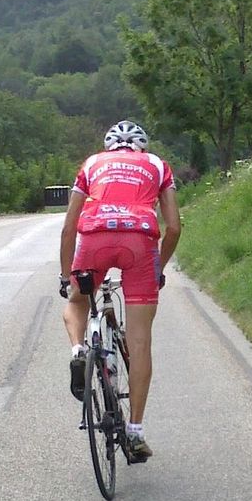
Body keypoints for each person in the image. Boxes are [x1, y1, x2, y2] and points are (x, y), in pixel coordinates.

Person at [59, 119, 183, 462]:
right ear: (141, 147)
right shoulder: (157, 165)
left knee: (77, 302)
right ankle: (135, 432)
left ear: (109, 147)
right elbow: (174, 227)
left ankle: (78, 350)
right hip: (140, 241)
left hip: (95, 238)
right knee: (139, 342)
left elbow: (69, 227)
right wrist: (158, 268)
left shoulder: (91, 164)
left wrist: (65, 276)